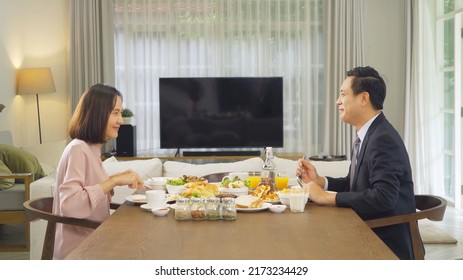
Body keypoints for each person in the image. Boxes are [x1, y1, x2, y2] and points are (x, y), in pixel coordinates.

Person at [297, 66, 418, 260]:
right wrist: (321, 182)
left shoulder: (383, 139)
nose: (338, 101)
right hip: (366, 229)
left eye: (343, 94)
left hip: (383, 243)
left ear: (363, 99)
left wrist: (326, 197)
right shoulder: (368, 134)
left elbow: (383, 197)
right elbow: (355, 184)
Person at [52, 83, 144, 259]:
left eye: (120, 113)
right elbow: (71, 205)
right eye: (115, 113)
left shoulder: (90, 149)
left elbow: (88, 188)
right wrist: (113, 181)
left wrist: (117, 177)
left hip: (95, 240)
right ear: (98, 113)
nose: (121, 120)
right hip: (80, 251)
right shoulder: (78, 149)